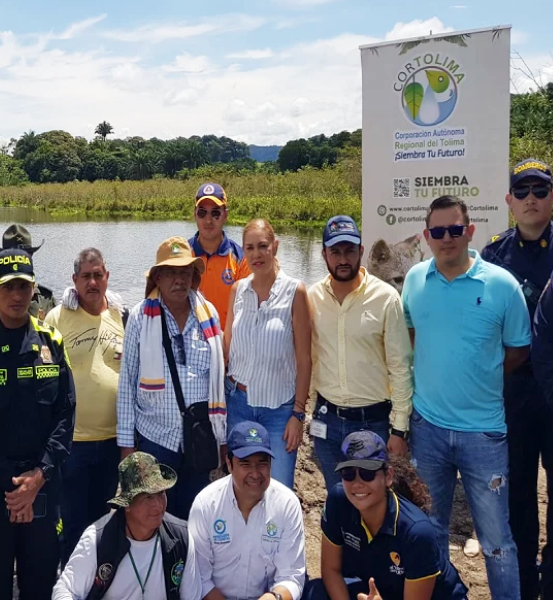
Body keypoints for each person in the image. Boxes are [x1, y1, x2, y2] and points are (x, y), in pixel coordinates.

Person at [402, 195, 531, 599]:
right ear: (426, 236)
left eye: (455, 229)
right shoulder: (414, 280)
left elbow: (517, 350)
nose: (447, 238)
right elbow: (410, 335)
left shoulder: (502, 285)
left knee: (496, 541)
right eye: (438, 231)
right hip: (428, 428)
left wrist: (481, 373)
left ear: (470, 231)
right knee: (430, 530)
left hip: (484, 434)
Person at [0, 247, 75, 600]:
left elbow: (66, 415)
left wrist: (37, 479)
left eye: (23, 286)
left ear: (34, 288)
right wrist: (14, 490)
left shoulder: (52, 341)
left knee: (39, 586)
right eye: (8, 286)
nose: (16, 295)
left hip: (42, 487)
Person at [482, 158, 553, 600]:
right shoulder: (493, 256)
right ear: (509, 201)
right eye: (522, 192)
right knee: (520, 494)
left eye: (540, 190)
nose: (531, 199)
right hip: (515, 391)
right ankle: (526, 584)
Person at [117, 236, 225, 521]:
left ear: (194, 276)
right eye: (171, 273)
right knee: (154, 519)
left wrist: (222, 439)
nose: (179, 280)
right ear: (158, 278)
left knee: (196, 518)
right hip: (156, 440)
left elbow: (219, 381)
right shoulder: (141, 318)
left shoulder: (208, 315)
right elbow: (127, 385)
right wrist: (127, 449)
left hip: (200, 439)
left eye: (185, 272)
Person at [308, 215, 413, 489]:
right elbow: (309, 358)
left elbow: (400, 366)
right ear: (324, 255)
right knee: (336, 496)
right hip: (326, 421)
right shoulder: (312, 297)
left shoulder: (386, 298)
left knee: (371, 498)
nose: (343, 259)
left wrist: (399, 429)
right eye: (335, 252)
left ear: (361, 251)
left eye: (350, 251)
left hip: (372, 422)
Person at [303, 431, 469, 600]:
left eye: (367, 473)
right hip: (378, 589)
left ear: (388, 476)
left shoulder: (417, 531)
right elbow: (331, 570)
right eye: (348, 474)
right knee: (314, 593)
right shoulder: (338, 500)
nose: (357, 483)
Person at [44, 248, 126, 563]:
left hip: (112, 441)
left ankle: (99, 581)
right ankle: (70, 582)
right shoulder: (57, 317)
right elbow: (45, 377)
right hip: (72, 442)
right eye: (86, 276)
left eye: (98, 275)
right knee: (72, 523)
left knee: (104, 521)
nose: (93, 282)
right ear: (74, 280)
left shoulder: (121, 315)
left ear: (107, 277)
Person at [224, 218, 311, 488]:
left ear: (275, 246)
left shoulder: (295, 291)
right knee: (240, 486)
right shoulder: (238, 290)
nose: (257, 254)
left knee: (279, 487)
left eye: (263, 246)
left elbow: (304, 359)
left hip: (279, 411)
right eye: (250, 248)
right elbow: (227, 347)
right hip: (238, 404)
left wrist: (298, 414)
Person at [53, 452, 201, 600]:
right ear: (127, 504)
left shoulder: (182, 537)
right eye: (148, 497)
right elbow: (65, 591)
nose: (158, 505)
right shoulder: (97, 539)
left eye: (161, 493)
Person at [188, 420, 306, 600]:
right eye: (246, 464)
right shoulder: (205, 505)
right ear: (229, 463)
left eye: (262, 463)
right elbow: (199, 577)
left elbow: (292, 576)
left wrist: (274, 598)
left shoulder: (287, 504)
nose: (255, 473)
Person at [188, 183, 250, 331]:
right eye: (202, 213)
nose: (208, 220)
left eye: (215, 213)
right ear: (195, 214)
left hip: (228, 341)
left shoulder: (241, 259)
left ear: (225, 215)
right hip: (189, 341)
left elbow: (248, 309)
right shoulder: (183, 255)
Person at [0, 223, 56, 320]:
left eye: (23, 255)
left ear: (31, 256)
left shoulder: (45, 299)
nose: (17, 258)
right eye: (11, 255)